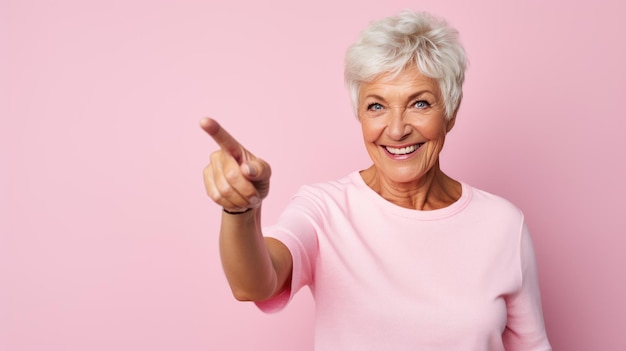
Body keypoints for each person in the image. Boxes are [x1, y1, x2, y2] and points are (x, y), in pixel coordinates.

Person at [200, 10, 551, 351]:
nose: (397, 130)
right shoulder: (325, 210)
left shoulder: (503, 225)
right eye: (377, 107)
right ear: (359, 115)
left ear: (451, 112)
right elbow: (254, 284)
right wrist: (241, 212)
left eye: (420, 103)